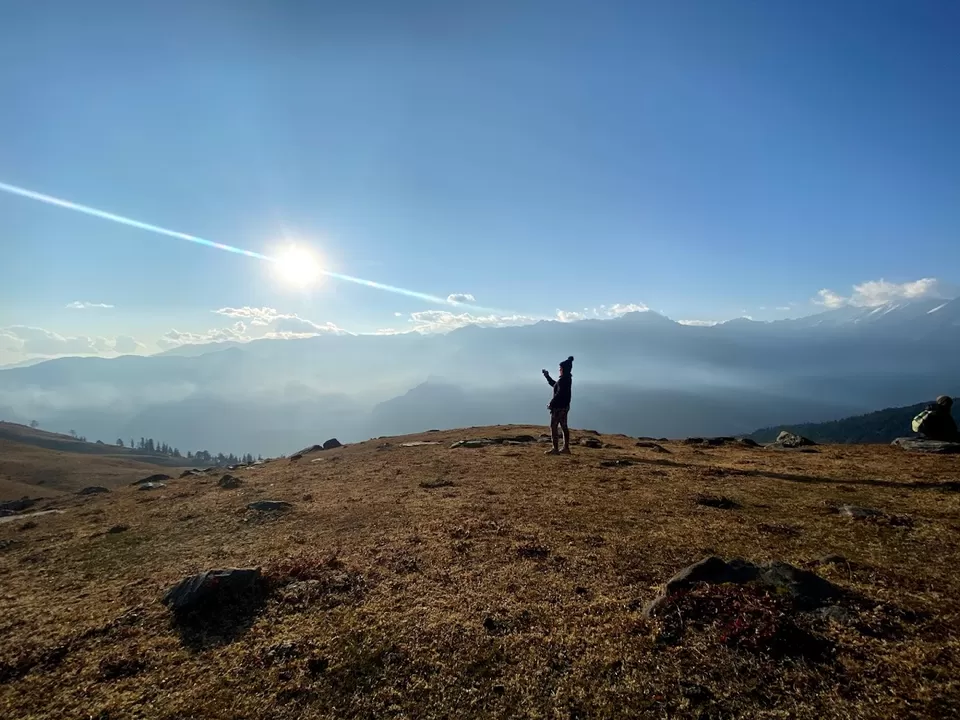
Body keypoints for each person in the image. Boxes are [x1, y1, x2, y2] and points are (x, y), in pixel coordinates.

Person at [542, 356, 574, 455]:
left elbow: (559, 393)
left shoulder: (564, 380)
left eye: (560, 368)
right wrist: (547, 376)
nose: (559, 370)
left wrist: (551, 404)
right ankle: (566, 448)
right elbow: (555, 385)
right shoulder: (566, 379)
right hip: (565, 406)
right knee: (564, 426)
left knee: (553, 426)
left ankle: (555, 449)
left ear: (564, 369)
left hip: (559, 407)